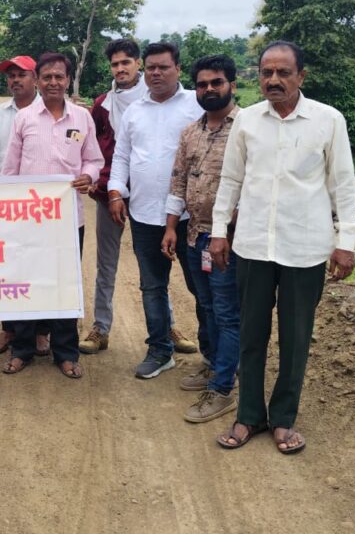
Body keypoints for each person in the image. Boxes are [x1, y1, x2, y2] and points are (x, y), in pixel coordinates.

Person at [210, 41, 355, 454]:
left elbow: (343, 184)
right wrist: (219, 231)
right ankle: (249, 415)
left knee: (296, 338)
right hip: (253, 246)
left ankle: (283, 419)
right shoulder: (246, 121)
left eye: (283, 72)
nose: (273, 80)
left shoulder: (327, 120)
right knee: (251, 334)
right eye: (266, 72)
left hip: (305, 247)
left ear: (301, 76)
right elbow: (231, 179)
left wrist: (346, 241)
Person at [108, 41, 208, 380]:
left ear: (178, 68)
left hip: (190, 218)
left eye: (163, 67)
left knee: (201, 288)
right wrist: (116, 191)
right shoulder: (135, 111)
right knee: (152, 287)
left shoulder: (196, 104)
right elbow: (122, 156)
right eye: (151, 67)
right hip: (144, 215)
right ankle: (160, 351)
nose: (156, 73)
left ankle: (213, 355)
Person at [0, 52, 103, 379]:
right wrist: (6, 210)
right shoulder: (25, 118)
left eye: (59, 76)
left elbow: (94, 160)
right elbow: (10, 169)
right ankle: (22, 349)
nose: (53, 82)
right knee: (26, 282)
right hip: (28, 219)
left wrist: (88, 176)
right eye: (47, 77)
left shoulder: (82, 118)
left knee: (65, 285)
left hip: (69, 220)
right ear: (38, 81)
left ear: (68, 80)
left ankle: (66, 352)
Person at [162, 54, 241, 423]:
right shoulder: (190, 133)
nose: (209, 89)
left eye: (216, 82)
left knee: (226, 312)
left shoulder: (248, 129)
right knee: (206, 305)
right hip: (195, 235)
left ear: (232, 85)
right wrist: (171, 227)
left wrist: (227, 232)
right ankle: (212, 363)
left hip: (230, 240)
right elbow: (178, 181)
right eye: (202, 84)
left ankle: (224, 388)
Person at [83, 38, 174, 354]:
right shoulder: (102, 105)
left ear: (138, 64)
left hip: (151, 195)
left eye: (126, 62)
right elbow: (93, 147)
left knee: (156, 265)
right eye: (115, 64)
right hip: (110, 195)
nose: (120, 69)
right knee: (106, 263)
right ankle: (101, 327)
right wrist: (98, 181)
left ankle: (168, 326)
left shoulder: (159, 101)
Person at [0, 55, 44, 356]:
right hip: (3, 206)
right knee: (7, 269)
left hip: (38, 207)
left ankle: (42, 331)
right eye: (11, 75)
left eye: (22, 74)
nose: (15, 80)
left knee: (38, 268)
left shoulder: (46, 111)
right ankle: (9, 328)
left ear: (36, 79)